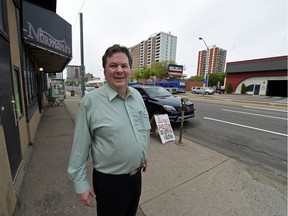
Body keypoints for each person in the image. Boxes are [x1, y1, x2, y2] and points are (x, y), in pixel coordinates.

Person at [67, 44, 151, 216]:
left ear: (130, 69)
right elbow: (80, 146)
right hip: (109, 182)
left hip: (136, 177)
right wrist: (80, 183)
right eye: (113, 65)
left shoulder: (137, 97)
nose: (119, 70)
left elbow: (141, 130)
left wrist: (142, 155)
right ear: (105, 70)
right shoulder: (90, 102)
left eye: (124, 66)